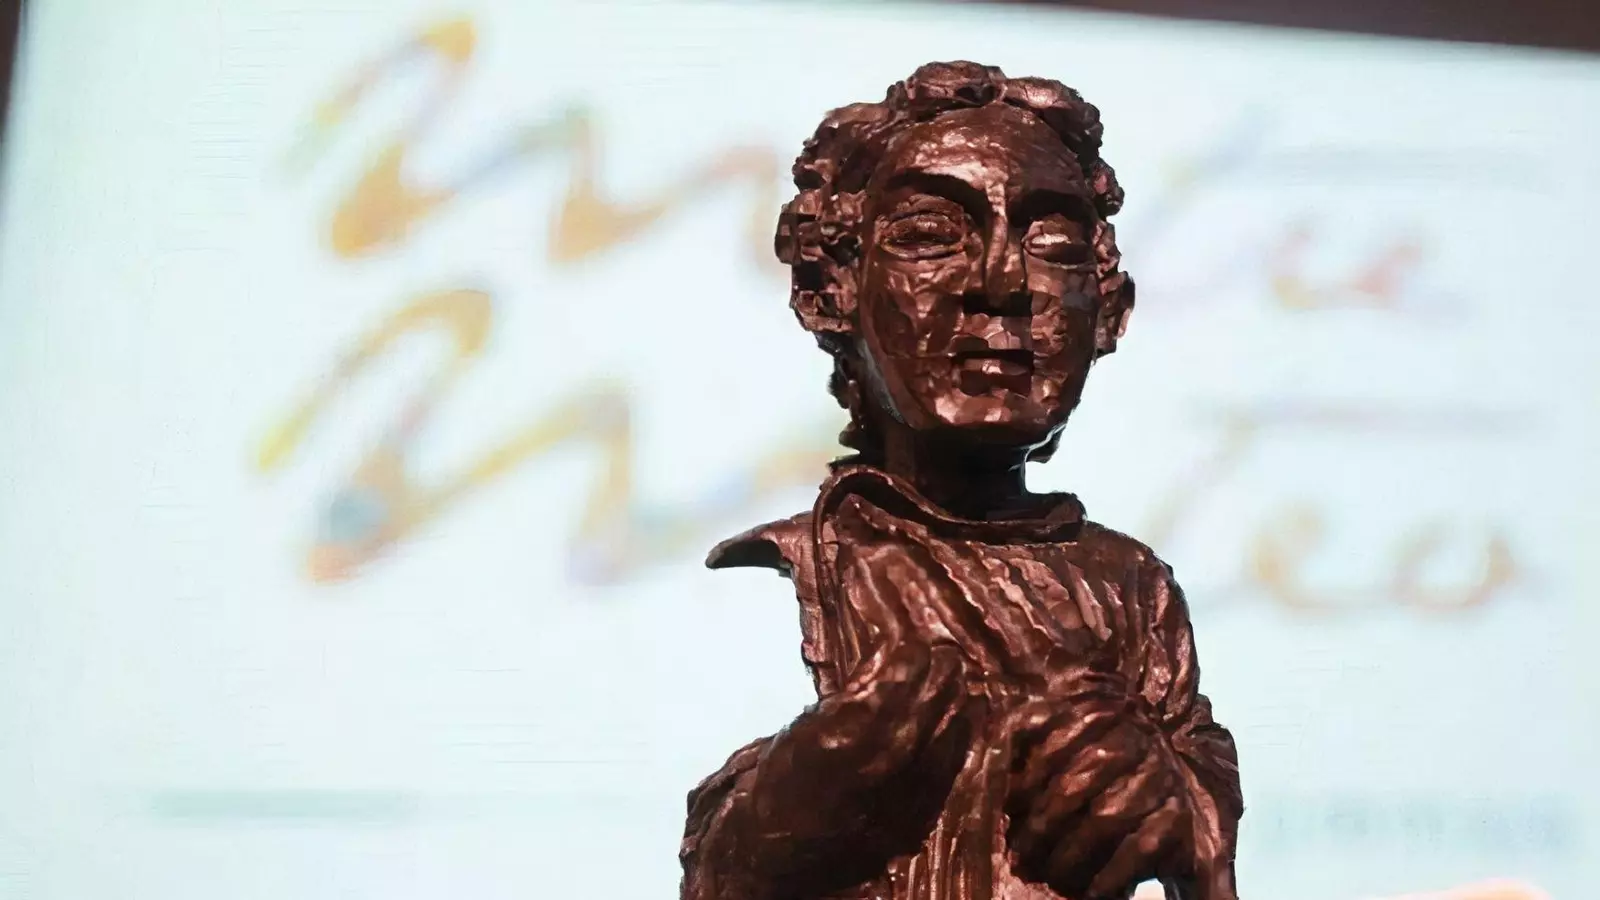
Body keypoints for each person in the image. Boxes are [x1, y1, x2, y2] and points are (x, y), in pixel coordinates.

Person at [681, 62, 1242, 900]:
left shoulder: (1132, 589)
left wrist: (1169, 801)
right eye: (930, 235)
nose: (1001, 282)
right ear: (829, 290)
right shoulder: (794, 568)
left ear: (1110, 310)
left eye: (1053, 244)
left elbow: (1203, 822)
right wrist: (773, 831)